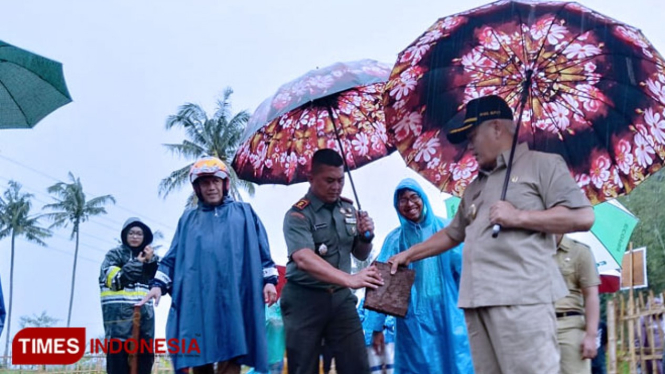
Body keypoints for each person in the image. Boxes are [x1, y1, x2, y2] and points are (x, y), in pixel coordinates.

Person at [388, 95, 595, 374]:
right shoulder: (475, 187)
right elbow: (452, 233)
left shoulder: (542, 165)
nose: (469, 146)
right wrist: (408, 254)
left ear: (497, 128)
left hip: (520, 298)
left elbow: (583, 216)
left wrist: (520, 216)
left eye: (473, 136)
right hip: (476, 302)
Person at [139, 156, 278, 374]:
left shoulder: (244, 213)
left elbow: (263, 253)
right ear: (197, 188)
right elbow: (171, 258)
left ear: (225, 184)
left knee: (233, 354)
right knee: (198, 357)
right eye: (205, 183)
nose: (211, 187)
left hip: (235, 300)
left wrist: (269, 282)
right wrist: (158, 286)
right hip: (199, 304)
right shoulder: (188, 220)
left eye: (215, 181)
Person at [281, 148, 383, 374]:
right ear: (311, 178)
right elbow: (303, 258)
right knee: (303, 367)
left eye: (340, 181)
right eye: (329, 181)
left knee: (357, 365)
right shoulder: (297, 215)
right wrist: (350, 279)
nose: (336, 187)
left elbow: (360, 254)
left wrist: (366, 236)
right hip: (303, 300)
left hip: (340, 300)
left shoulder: (348, 209)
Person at [364, 178, 474, 374]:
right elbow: (381, 284)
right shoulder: (394, 239)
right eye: (403, 199)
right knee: (417, 367)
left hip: (448, 312)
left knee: (456, 362)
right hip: (411, 320)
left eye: (414, 197)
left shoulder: (445, 230)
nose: (409, 203)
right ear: (396, 205)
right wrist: (376, 327)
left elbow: (466, 272)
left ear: (423, 198)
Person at [99, 217, 159, 374]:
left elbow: (159, 283)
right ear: (125, 235)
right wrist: (138, 263)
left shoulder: (151, 260)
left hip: (145, 329)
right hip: (118, 328)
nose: (135, 237)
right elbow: (116, 280)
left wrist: (150, 261)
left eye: (139, 234)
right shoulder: (113, 255)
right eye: (131, 233)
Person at [555, 235, 601, 374]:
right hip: (536, 323)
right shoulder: (532, 251)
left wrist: (591, 335)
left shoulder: (579, 251)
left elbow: (591, 295)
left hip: (569, 326)